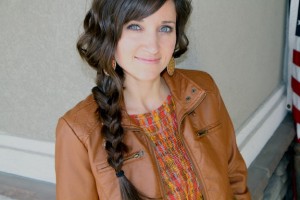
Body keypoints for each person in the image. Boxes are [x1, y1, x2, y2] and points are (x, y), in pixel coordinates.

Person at [55, 0, 251, 199]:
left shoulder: (204, 90)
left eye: (165, 28)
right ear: (109, 34)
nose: (153, 46)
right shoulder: (78, 132)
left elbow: (234, 176)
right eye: (135, 26)